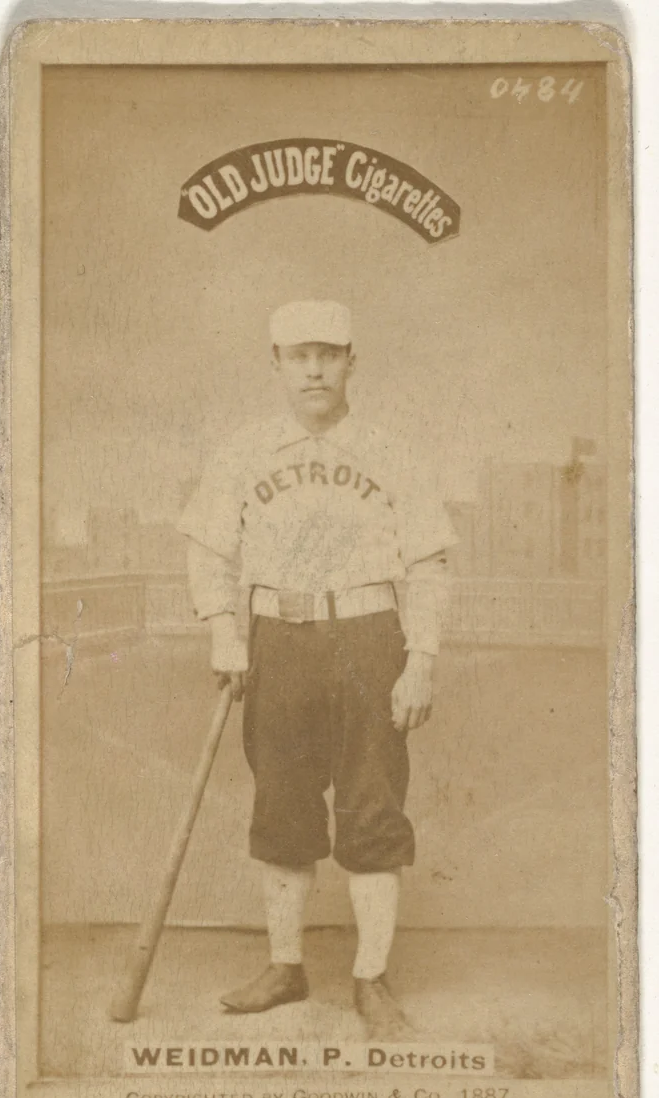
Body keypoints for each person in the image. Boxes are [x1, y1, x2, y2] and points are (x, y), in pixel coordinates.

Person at [178, 300, 457, 1039]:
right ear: (276, 364)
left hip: (370, 638)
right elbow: (208, 549)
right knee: (283, 805)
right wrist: (221, 631)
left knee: (372, 806)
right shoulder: (243, 451)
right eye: (298, 355)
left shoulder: (389, 451)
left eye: (328, 354)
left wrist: (421, 659)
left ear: (351, 362)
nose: (313, 369)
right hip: (278, 639)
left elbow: (428, 561)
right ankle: (285, 965)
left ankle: (371, 979)